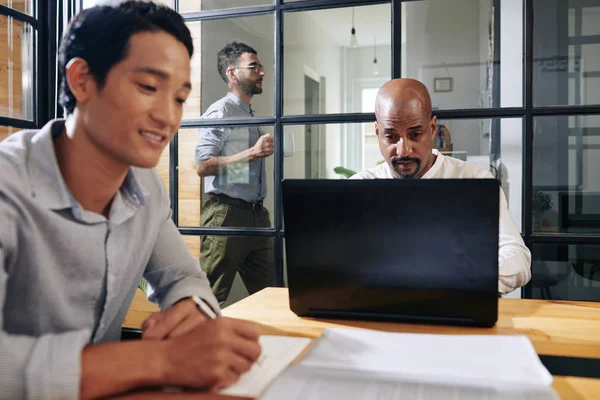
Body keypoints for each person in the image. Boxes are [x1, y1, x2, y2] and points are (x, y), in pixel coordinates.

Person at [0, 2, 261, 399]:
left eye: (178, 98)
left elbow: (184, 278)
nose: (167, 117)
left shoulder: (144, 186)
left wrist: (193, 310)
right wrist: (160, 360)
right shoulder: (8, 185)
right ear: (82, 80)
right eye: (148, 88)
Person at [351, 78, 531, 295]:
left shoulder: (474, 181)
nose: (403, 150)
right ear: (378, 133)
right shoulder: (358, 187)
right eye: (391, 137)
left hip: (460, 308)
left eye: (415, 134)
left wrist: (464, 283)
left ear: (433, 128)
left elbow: (517, 256)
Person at [195, 42, 274, 305]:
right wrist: (252, 152)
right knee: (209, 299)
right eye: (254, 67)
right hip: (226, 216)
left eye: (260, 66)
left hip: (256, 216)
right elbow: (202, 165)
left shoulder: (247, 114)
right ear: (232, 73)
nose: (261, 72)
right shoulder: (221, 112)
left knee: (273, 294)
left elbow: (236, 169)